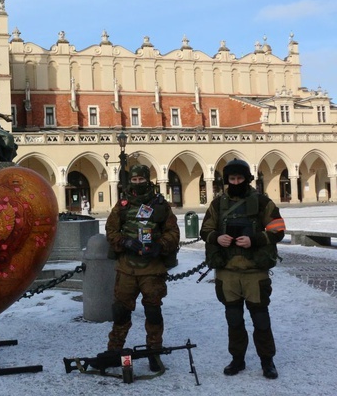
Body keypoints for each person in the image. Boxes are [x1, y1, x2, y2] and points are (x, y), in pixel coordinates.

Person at [200, 159, 284, 380]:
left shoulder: (262, 202)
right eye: (232, 178)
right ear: (226, 180)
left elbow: (278, 228)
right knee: (234, 319)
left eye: (239, 178)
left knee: (261, 319)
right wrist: (218, 237)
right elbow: (205, 230)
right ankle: (237, 359)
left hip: (254, 271)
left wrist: (255, 239)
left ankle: (267, 361)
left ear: (247, 179)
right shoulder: (218, 204)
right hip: (228, 271)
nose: (235, 182)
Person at [104, 164, 180, 372]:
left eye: (141, 179)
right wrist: (125, 242)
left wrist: (159, 245)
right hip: (127, 269)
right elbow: (110, 230)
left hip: (152, 270)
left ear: (148, 180)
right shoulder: (122, 205)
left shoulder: (160, 205)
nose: (138, 183)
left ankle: (154, 353)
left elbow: (173, 233)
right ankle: (114, 350)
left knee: (153, 313)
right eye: (134, 180)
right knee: (121, 312)